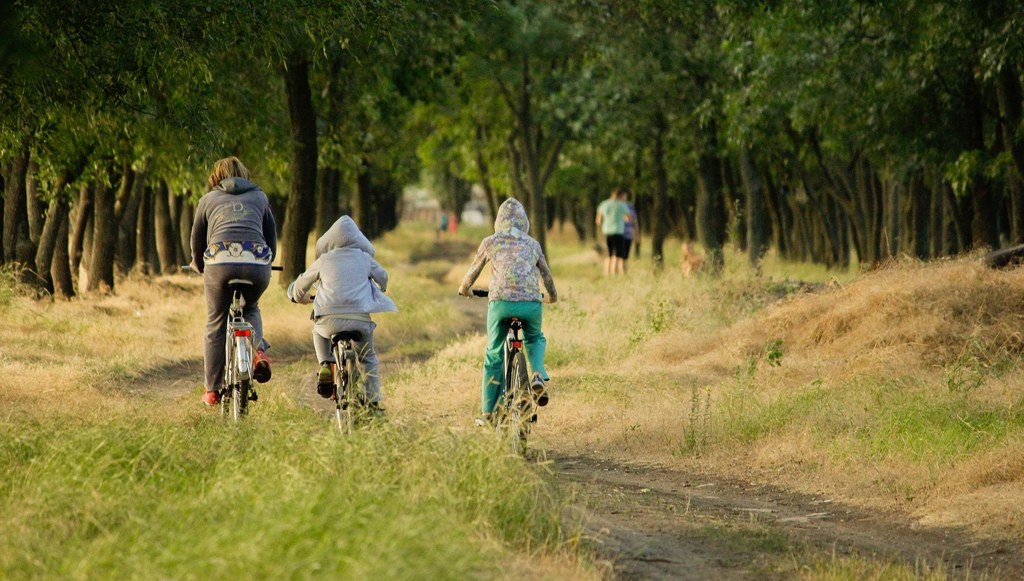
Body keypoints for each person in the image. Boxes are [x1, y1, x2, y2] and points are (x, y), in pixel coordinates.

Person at [458, 198, 558, 425]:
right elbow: (547, 276)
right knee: (534, 337)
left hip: (500, 304)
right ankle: (537, 375)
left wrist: (465, 289)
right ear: (525, 222)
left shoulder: (490, 242)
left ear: (498, 222)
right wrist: (552, 296)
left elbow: (472, 273)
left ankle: (488, 412)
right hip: (531, 304)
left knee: (494, 352)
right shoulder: (533, 244)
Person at [287, 215, 397, 412]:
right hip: (359, 319)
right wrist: (381, 287)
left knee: (318, 332)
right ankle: (372, 401)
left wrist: (295, 295)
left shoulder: (324, 259)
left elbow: (300, 286)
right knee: (367, 357)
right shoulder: (365, 258)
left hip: (328, 320)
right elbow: (384, 278)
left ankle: (325, 364)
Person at [190, 156, 277, 406]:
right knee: (250, 308)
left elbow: (197, 242)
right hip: (257, 263)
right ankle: (258, 351)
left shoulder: (207, 200)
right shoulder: (260, 197)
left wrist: (199, 265)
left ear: (216, 177)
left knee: (216, 321)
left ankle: (212, 390)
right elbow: (271, 237)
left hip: (219, 263)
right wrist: (266, 261)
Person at [595, 188, 631, 276]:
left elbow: (598, 221)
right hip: (618, 231)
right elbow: (628, 218)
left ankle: (607, 274)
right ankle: (618, 273)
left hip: (607, 231)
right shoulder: (622, 205)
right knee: (619, 254)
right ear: (621, 196)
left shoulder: (604, 204)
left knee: (608, 254)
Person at [621, 190, 640, 273]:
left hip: (629, 234)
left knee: (625, 255)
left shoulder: (630, 206)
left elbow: (634, 221)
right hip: (619, 233)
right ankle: (620, 272)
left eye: (624, 196)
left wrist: (637, 234)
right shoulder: (616, 207)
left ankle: (624, 272)